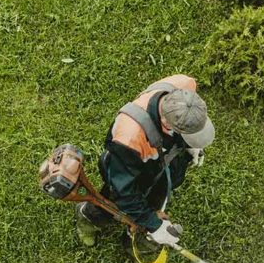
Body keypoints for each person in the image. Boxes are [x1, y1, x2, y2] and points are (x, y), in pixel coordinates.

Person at [76, 74, 215, 250]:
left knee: (155, 202)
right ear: (167, 124)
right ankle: (88, 219)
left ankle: (136, 240)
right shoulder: (129, 138)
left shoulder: (184, 84)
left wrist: (191, 146)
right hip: (129, 170)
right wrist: (154, 225)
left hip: (162, 162)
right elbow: (124, 191)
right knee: (113, 205)